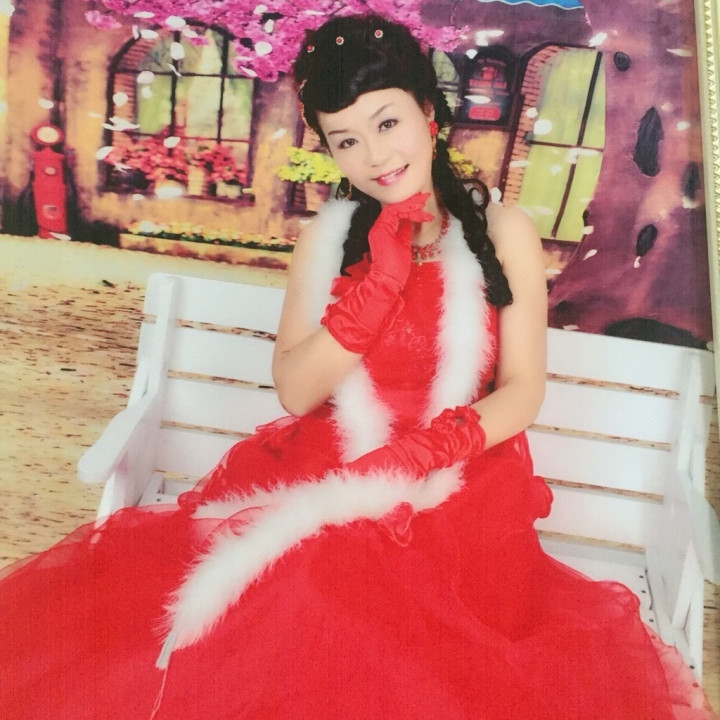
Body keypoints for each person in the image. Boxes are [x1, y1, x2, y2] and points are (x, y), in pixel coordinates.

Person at [0, 13, 716, 720]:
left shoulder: (504, 233)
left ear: (429, 114)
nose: (374, 155)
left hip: (458, 485)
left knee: (371, 616)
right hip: (329, 462)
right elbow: (296, 389)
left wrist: (425, 451)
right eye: (347, 140)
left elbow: (523, 389)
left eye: (387, 122)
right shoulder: (329, 238)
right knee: (284, 592)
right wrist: (379, 286)